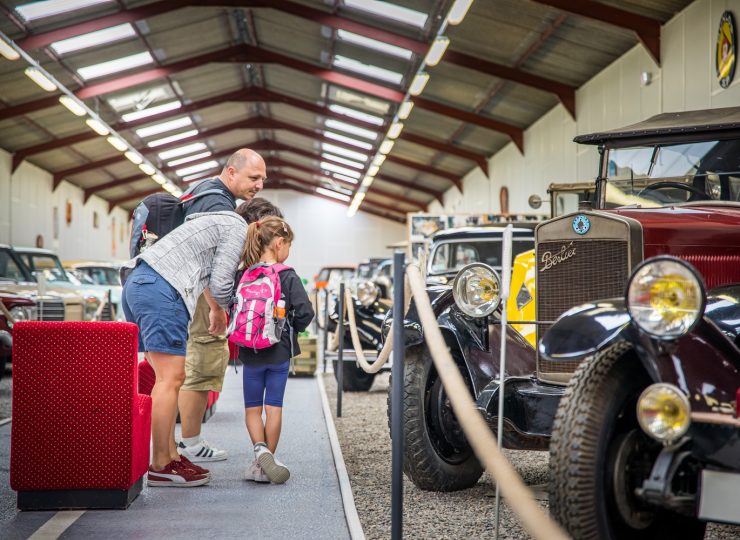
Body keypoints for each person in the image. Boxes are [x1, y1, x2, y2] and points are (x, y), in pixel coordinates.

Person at [120, 210, 247, 487]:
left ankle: (170, 455)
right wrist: (239, 310)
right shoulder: (238, 228)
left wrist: (215, 309)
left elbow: (210, 280)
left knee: (165, 378)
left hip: (139, 283)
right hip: (161, 289)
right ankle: (160, 465)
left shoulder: (210, 221)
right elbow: (222, 282)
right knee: (171, 378)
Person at [177, 149, 267, 466]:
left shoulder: (205, 192)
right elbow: (209, 263)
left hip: (192, 292)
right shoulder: (216, 203)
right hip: (201, 297)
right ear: (231, 172)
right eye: (253, 177)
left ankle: (189, 440)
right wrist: (217, 307)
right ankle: (190, 442)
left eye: (262, 180)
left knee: (197, 364)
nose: (258, 185)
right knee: (202, 363)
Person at [236, 217, 314, 484]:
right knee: (274, 408)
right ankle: (267, 463)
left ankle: (259, 455)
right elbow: (306, 313)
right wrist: (292, 328)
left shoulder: (243, 273)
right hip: (278, 351)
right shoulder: (287, 275)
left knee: (252, 410)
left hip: (250, 351)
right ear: (279, 243)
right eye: (288, 246)